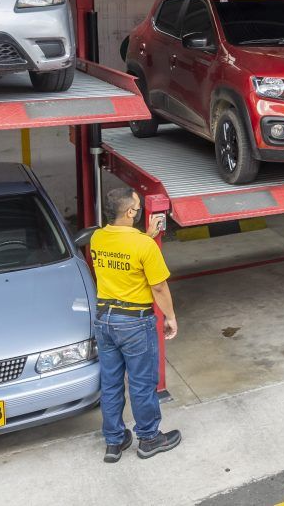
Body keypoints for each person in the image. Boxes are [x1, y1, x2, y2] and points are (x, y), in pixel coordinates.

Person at [90, 186, 182, 462]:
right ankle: (149, 438)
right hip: (134, 323)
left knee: (111, 383)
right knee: (142, 383)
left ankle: (114, 442)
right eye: (137, 206)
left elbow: (123, 253)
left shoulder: (97, 238)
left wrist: (146, 236)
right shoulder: (144, 247)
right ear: (131, 212)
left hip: (105, 320)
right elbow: (159, 288)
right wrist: (170, 316)